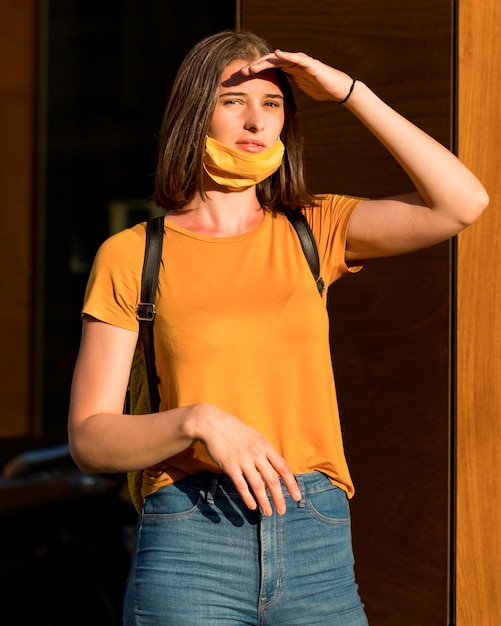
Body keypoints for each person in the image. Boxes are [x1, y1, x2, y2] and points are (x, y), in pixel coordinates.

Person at [68, 29, 488, 626]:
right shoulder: (133, 254)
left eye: (272, 103)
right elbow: (90, 438)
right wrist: (196, 421)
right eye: (234, 99)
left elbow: (462, 203)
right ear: (196, 112)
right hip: (192, 537)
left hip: (314, 527)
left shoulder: (314, 228)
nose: (256, 119)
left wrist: (348, 92)